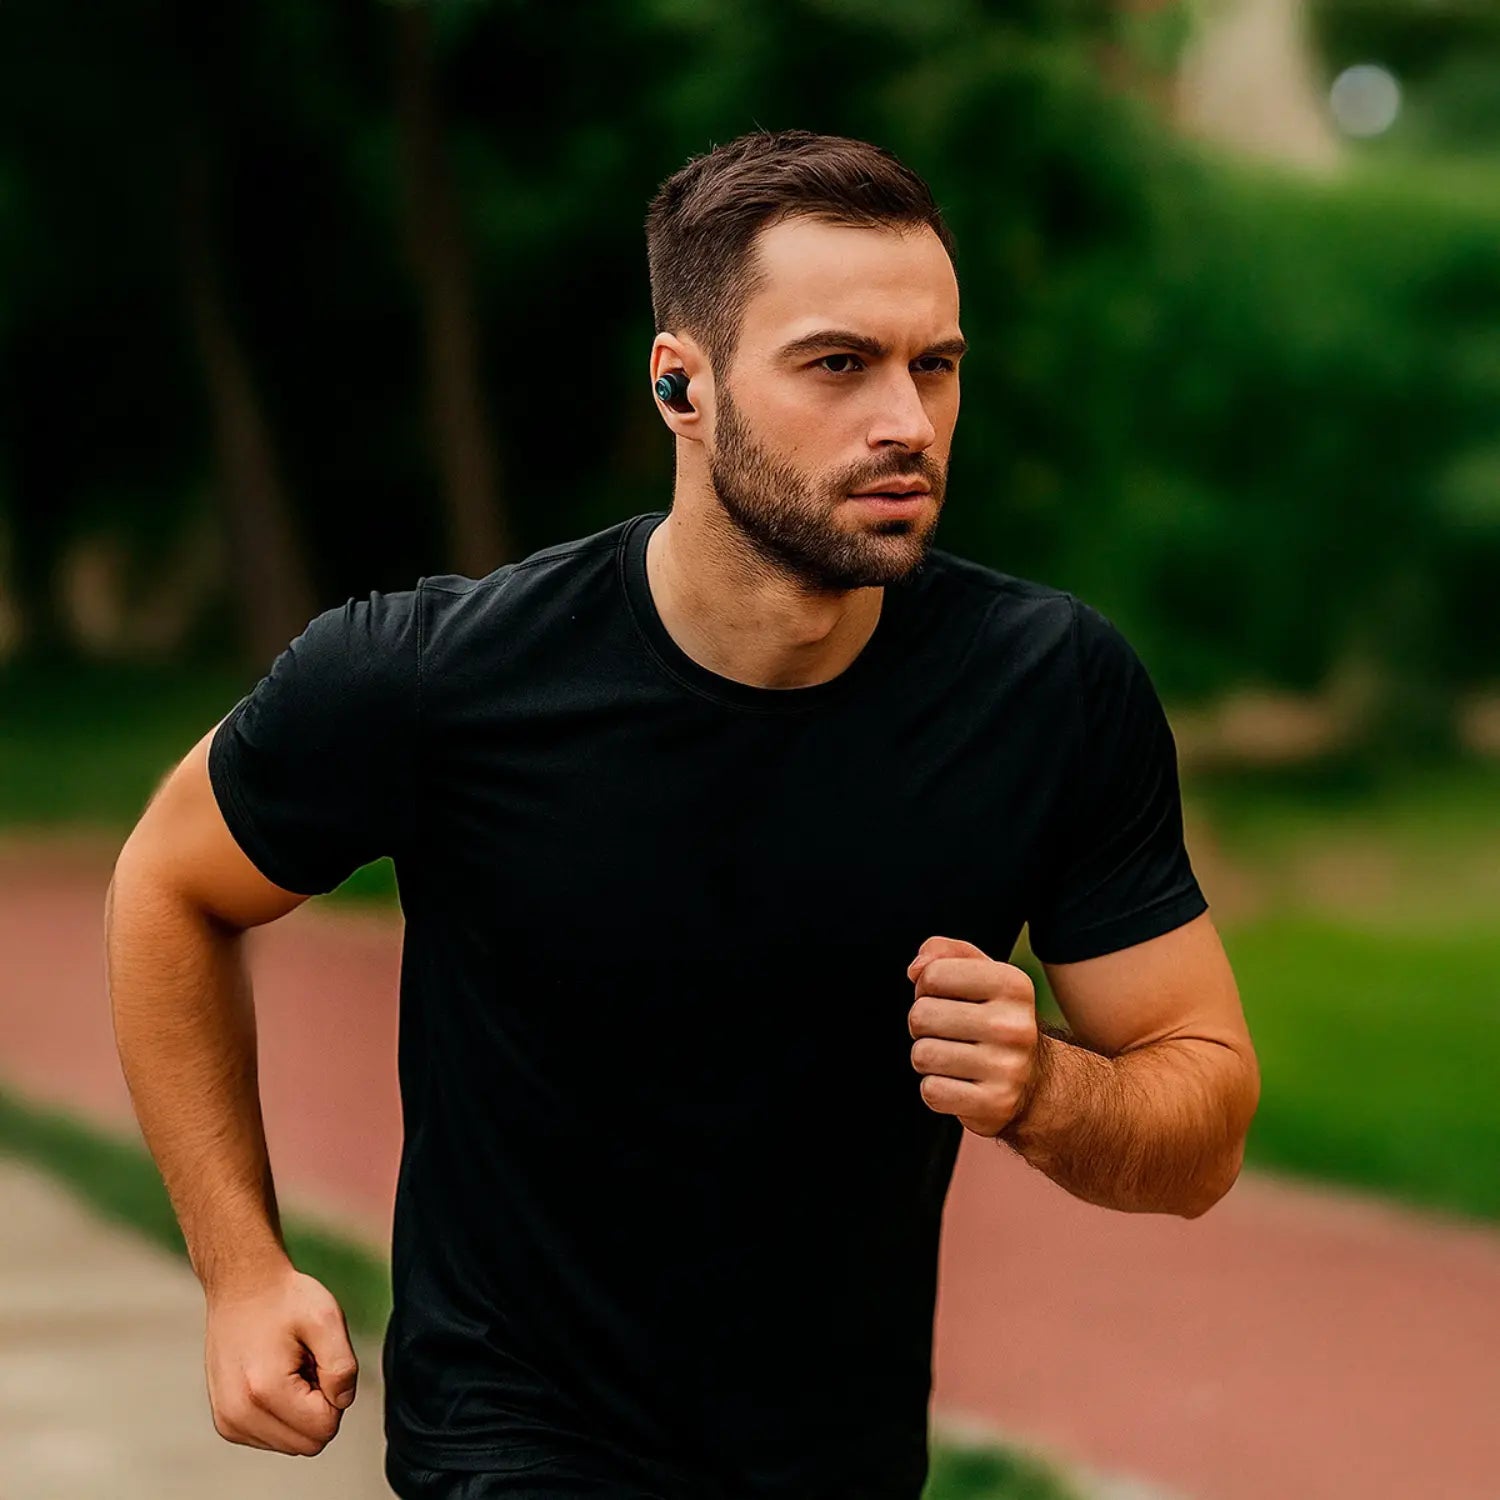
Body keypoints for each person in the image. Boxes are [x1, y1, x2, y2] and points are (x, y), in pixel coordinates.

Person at [106, 128, 1260, 1500]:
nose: (906, 419)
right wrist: (241, 1273)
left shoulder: (1047, 694)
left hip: (840, 1458)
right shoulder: (434, 677)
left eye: (935, 366)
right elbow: (170, 886)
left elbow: (1203, 1125)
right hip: (514, 1436)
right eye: (839, 364)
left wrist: (1050, 1090)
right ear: (681, 384)